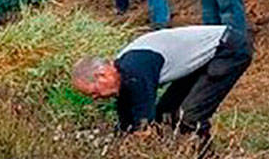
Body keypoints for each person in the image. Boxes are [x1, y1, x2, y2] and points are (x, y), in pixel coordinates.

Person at [71, 25, 252, 148]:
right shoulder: (124, 76)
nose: (96, 98)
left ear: (102, 75)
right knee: (165, 114)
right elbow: (128, 126)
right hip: (203, 59)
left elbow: (144, 130)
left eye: (94, 92)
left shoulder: (136, 72)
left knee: (188, 117)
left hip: (228, 49)